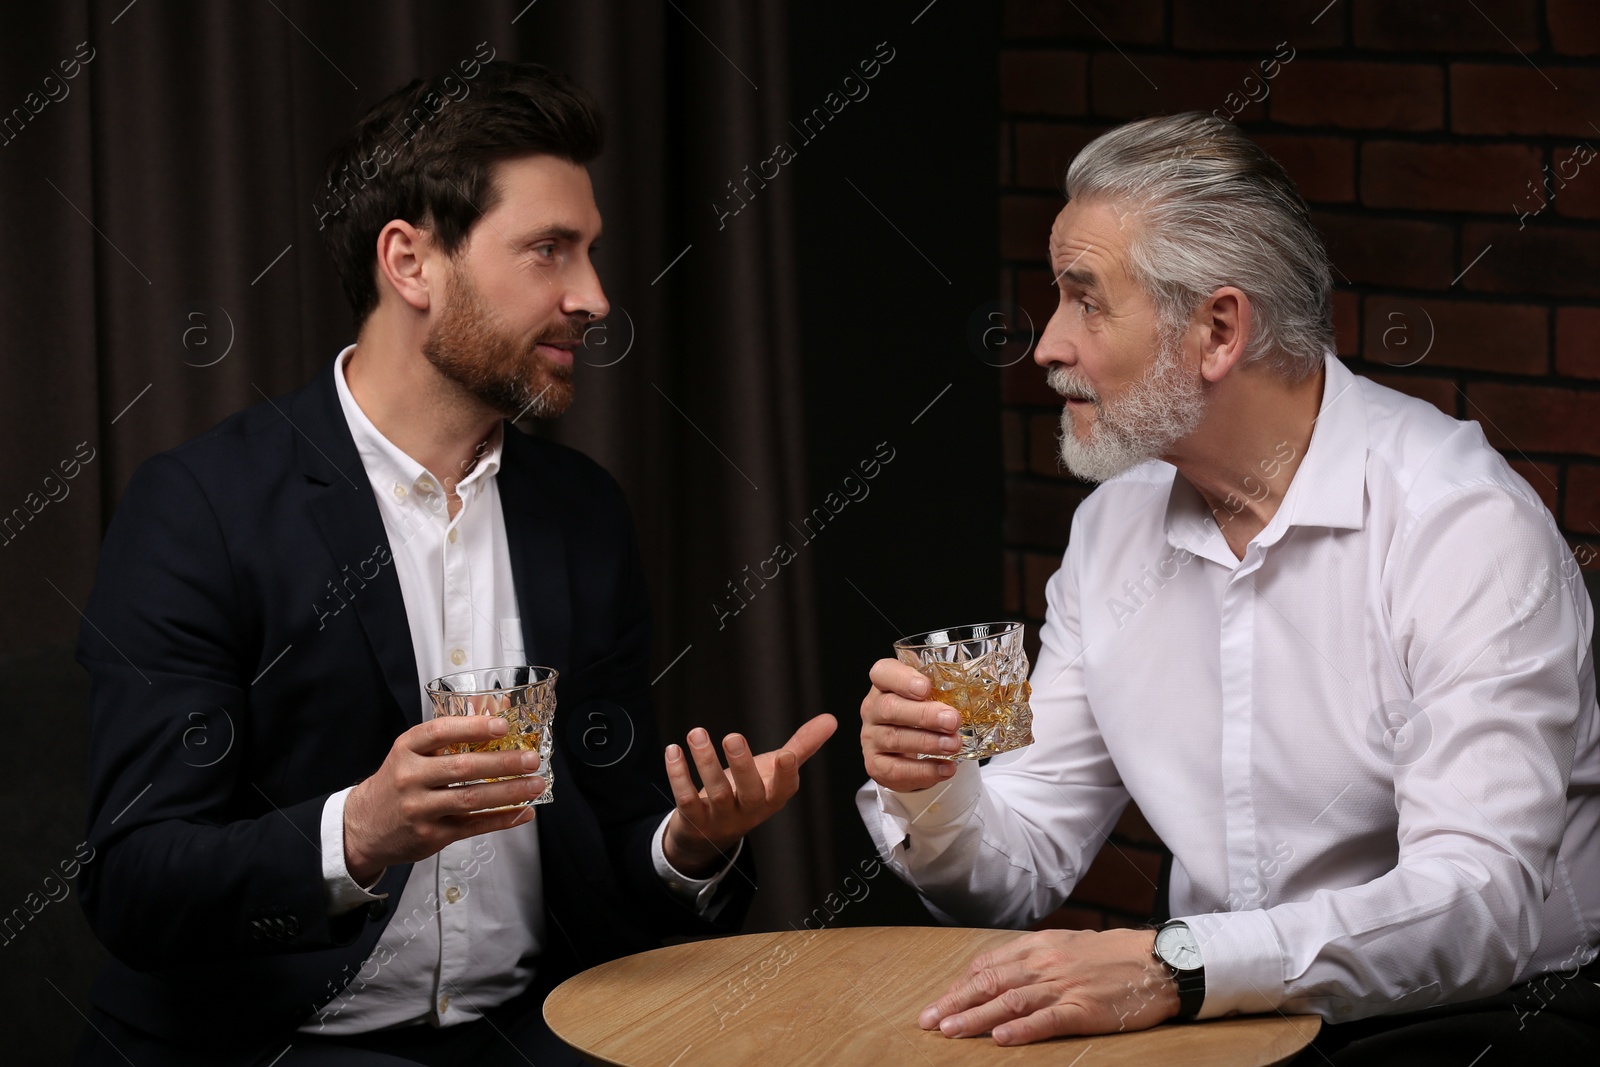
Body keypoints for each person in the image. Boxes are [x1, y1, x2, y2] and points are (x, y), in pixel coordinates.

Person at [75, 60, 835, 1066]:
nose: (595, 297)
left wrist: (688, 842)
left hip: (536, 1028)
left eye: (590, 253)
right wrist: (360, 830)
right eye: (549, 252)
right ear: (411, 264)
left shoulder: (581, 512)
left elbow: (609, 839)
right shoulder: (199, 510)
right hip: (276, 1041)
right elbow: (134, 879)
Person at [857, 112, 1600, 1063]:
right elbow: (1019, 869)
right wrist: (932, 786)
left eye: (1086, 302)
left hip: (1491, 1018)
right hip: (1219, 1013)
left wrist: (1177, 966)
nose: (1046, 345)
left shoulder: (1461, 522)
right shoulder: (1112, 527)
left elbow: (1478, 906)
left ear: (1217, 328)